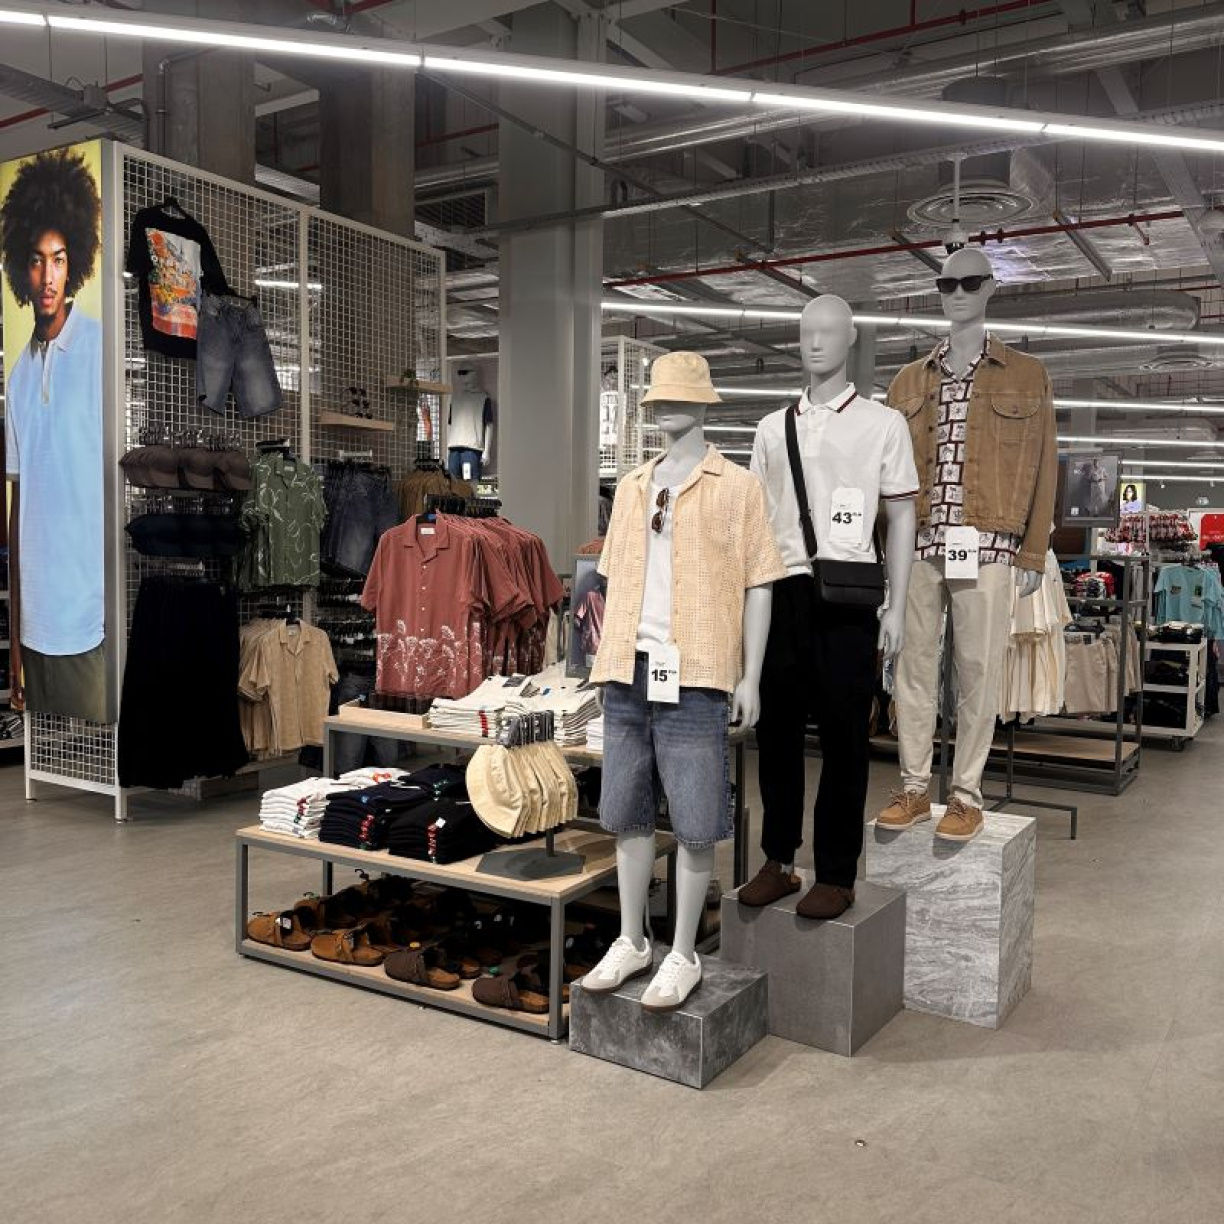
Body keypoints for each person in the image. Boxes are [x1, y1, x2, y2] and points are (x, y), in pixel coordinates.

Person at [0, 148, 108, 722]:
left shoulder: (99, 351)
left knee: (101, 740)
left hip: (90, 613)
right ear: (23, 267)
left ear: (75, 265)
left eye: (59, 260)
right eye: (37, 261)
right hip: (37, 619)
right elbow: (17, 509)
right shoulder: (18, 377)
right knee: (46, 745)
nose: (47, 276)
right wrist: (16, 635)